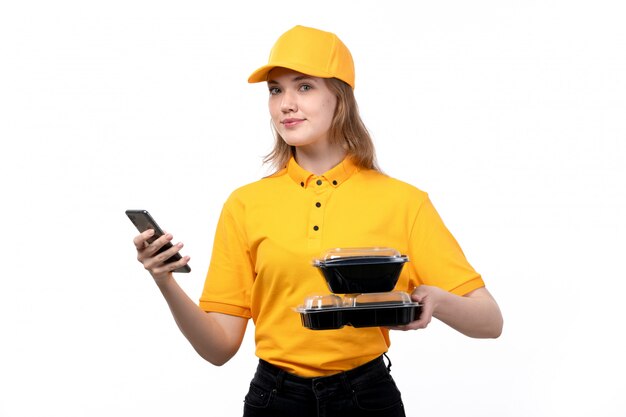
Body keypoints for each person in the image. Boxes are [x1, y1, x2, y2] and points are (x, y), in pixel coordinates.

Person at [132, 25, 503, 417]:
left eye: (304, 86)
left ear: (339, 97)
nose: (285, 104)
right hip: (274, 401)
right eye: (275, 90)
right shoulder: (245, 204)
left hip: (367, 399)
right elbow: (219, 348)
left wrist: (439, 300)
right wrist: (164, 280)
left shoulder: (403, 201)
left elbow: (490, 321)